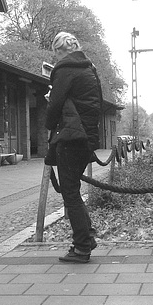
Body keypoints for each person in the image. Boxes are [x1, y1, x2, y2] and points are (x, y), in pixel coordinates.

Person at [45, 32, 103, 263]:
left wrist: (49, 123)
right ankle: (86, 237)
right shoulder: (91, 69)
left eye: (56, 53)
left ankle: (81, 248)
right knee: (73, 190)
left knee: (70, 192)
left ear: (60, 51)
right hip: (86, 136)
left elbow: (56, 103)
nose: (56, 58)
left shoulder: (64, 69)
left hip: (70, 137)